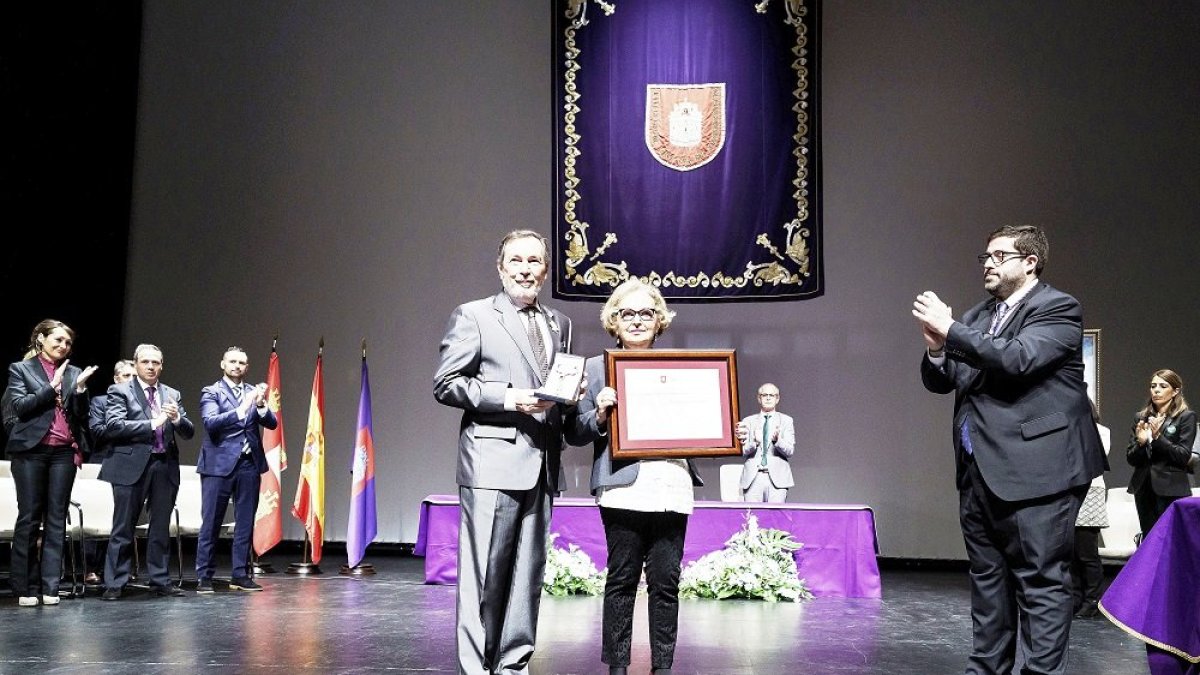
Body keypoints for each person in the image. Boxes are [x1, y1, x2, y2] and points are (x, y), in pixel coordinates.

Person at [912, 224, 1106, 675]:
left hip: (1040, 470)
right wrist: (939, 350)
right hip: (979, 470)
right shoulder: (979, 316)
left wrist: (952, 330)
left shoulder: (1057, 308)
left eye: (999, 256)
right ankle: (986, 670)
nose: (988, 264)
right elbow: (945, 379)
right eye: (985, 257)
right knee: (988, 582)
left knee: (1040, 581)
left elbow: (1017, 359)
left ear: (1030, 263)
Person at [433, 229, 575, 675]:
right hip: (492, 464)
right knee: (484, 576)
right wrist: (509, 397)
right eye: (516, 261)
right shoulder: (474, 316)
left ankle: (513, 664)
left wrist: (575, 393)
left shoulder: (559, 323)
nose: (526, 269)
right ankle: (476, 667)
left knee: (526, 575)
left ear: (546, 270)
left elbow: (556, 388)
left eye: (535, 261)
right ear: (501, 268)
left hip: (542, 463)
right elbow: (446, 384)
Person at [566, 278, 702, 675]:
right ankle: (618, 668)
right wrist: (601, 416)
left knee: (666, 583)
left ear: (660, 321)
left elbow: (703, 423)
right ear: (614, 319)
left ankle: (662, 667)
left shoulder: (681, 368)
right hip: (623, 488)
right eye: (628, 313)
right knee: (622, 580)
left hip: (672, 486)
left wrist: (727, 430)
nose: (638, 321)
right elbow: (574, 432)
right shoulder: (594, 369)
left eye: (647, 313)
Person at [3, 319, 97, 607]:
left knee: (56, 520)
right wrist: (50, 388)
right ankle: (25, 587)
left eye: (67, 343)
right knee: (30, 517)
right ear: (40, 339)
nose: (62, 346)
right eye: (57, 340)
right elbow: (19, 406)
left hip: (63, 452)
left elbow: (82, 417)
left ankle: (50, 586)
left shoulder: (74, 372)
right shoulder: (21, 369)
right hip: (31, 450)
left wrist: (79, 391)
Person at [99, 343, 195, 599]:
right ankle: (115, 583)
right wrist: (153, 423)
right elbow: (115, 426)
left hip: (164, 464)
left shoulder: (171, 393)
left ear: (162, 365)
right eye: (146, 362)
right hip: (130, 465)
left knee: (160, 526)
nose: (151, 367)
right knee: (123, 526)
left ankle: (160, 579)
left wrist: (176, 419)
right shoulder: (120, 391)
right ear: (136, 364)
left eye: (156, 362)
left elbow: (188, 431)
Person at [195, 346, 278, 593]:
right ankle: (205, 576)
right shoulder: (212, 392)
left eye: (241, 363)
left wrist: (261, 405)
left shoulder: (254, 392)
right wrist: (243, 408)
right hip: (218, 465)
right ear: (223, 364)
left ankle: (239, 574)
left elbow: (271, 423)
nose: (237, 366)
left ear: (247, 367)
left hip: (248, 464)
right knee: (211, 522)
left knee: (245, 522)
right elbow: (211, 422)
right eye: (232, 361)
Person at [1125, 369, 1195, 539]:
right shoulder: (1141, 417)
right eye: (1153, 386)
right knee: (1150, 539)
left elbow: (1183, 456)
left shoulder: (1185, 417)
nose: (1156, 390)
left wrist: (1157, 437)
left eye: (1163, 386)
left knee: (1171, 539)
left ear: (1175, 391)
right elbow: (1131, 458)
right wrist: (1141, 443)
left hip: (1171, 488)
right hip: (1143, 487)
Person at [83, 358, 136, 582]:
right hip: (104, 459)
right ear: (116, 379)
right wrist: (130, 429)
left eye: (134, 377)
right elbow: (98, 431)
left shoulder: (141, 402)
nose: (131, 381)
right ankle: (89, 568)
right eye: (126, 376)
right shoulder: (101, 401)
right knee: (98, 514)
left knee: (122, 518)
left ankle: (115, 569)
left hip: (132, 463)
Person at [1071, 400, 1110, 619]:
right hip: (1068, 493)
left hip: (1090, 492)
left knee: (1086, 552)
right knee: (1070, 553)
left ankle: (1093, 600)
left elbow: (1092, 457)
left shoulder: (1102, 432)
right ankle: (1076, 597)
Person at [736, 383, 795, 503]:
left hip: (778, 479)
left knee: (775, 520)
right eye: (764, 395)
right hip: (754, 477)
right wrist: (754, 442)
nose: (768, 398)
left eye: (772, 395)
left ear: (777, 398)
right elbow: (742, 451)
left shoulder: (786, 420)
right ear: (759, 398)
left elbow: (790, 451)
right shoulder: (748, 421)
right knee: (752, 519)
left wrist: (777, 441)